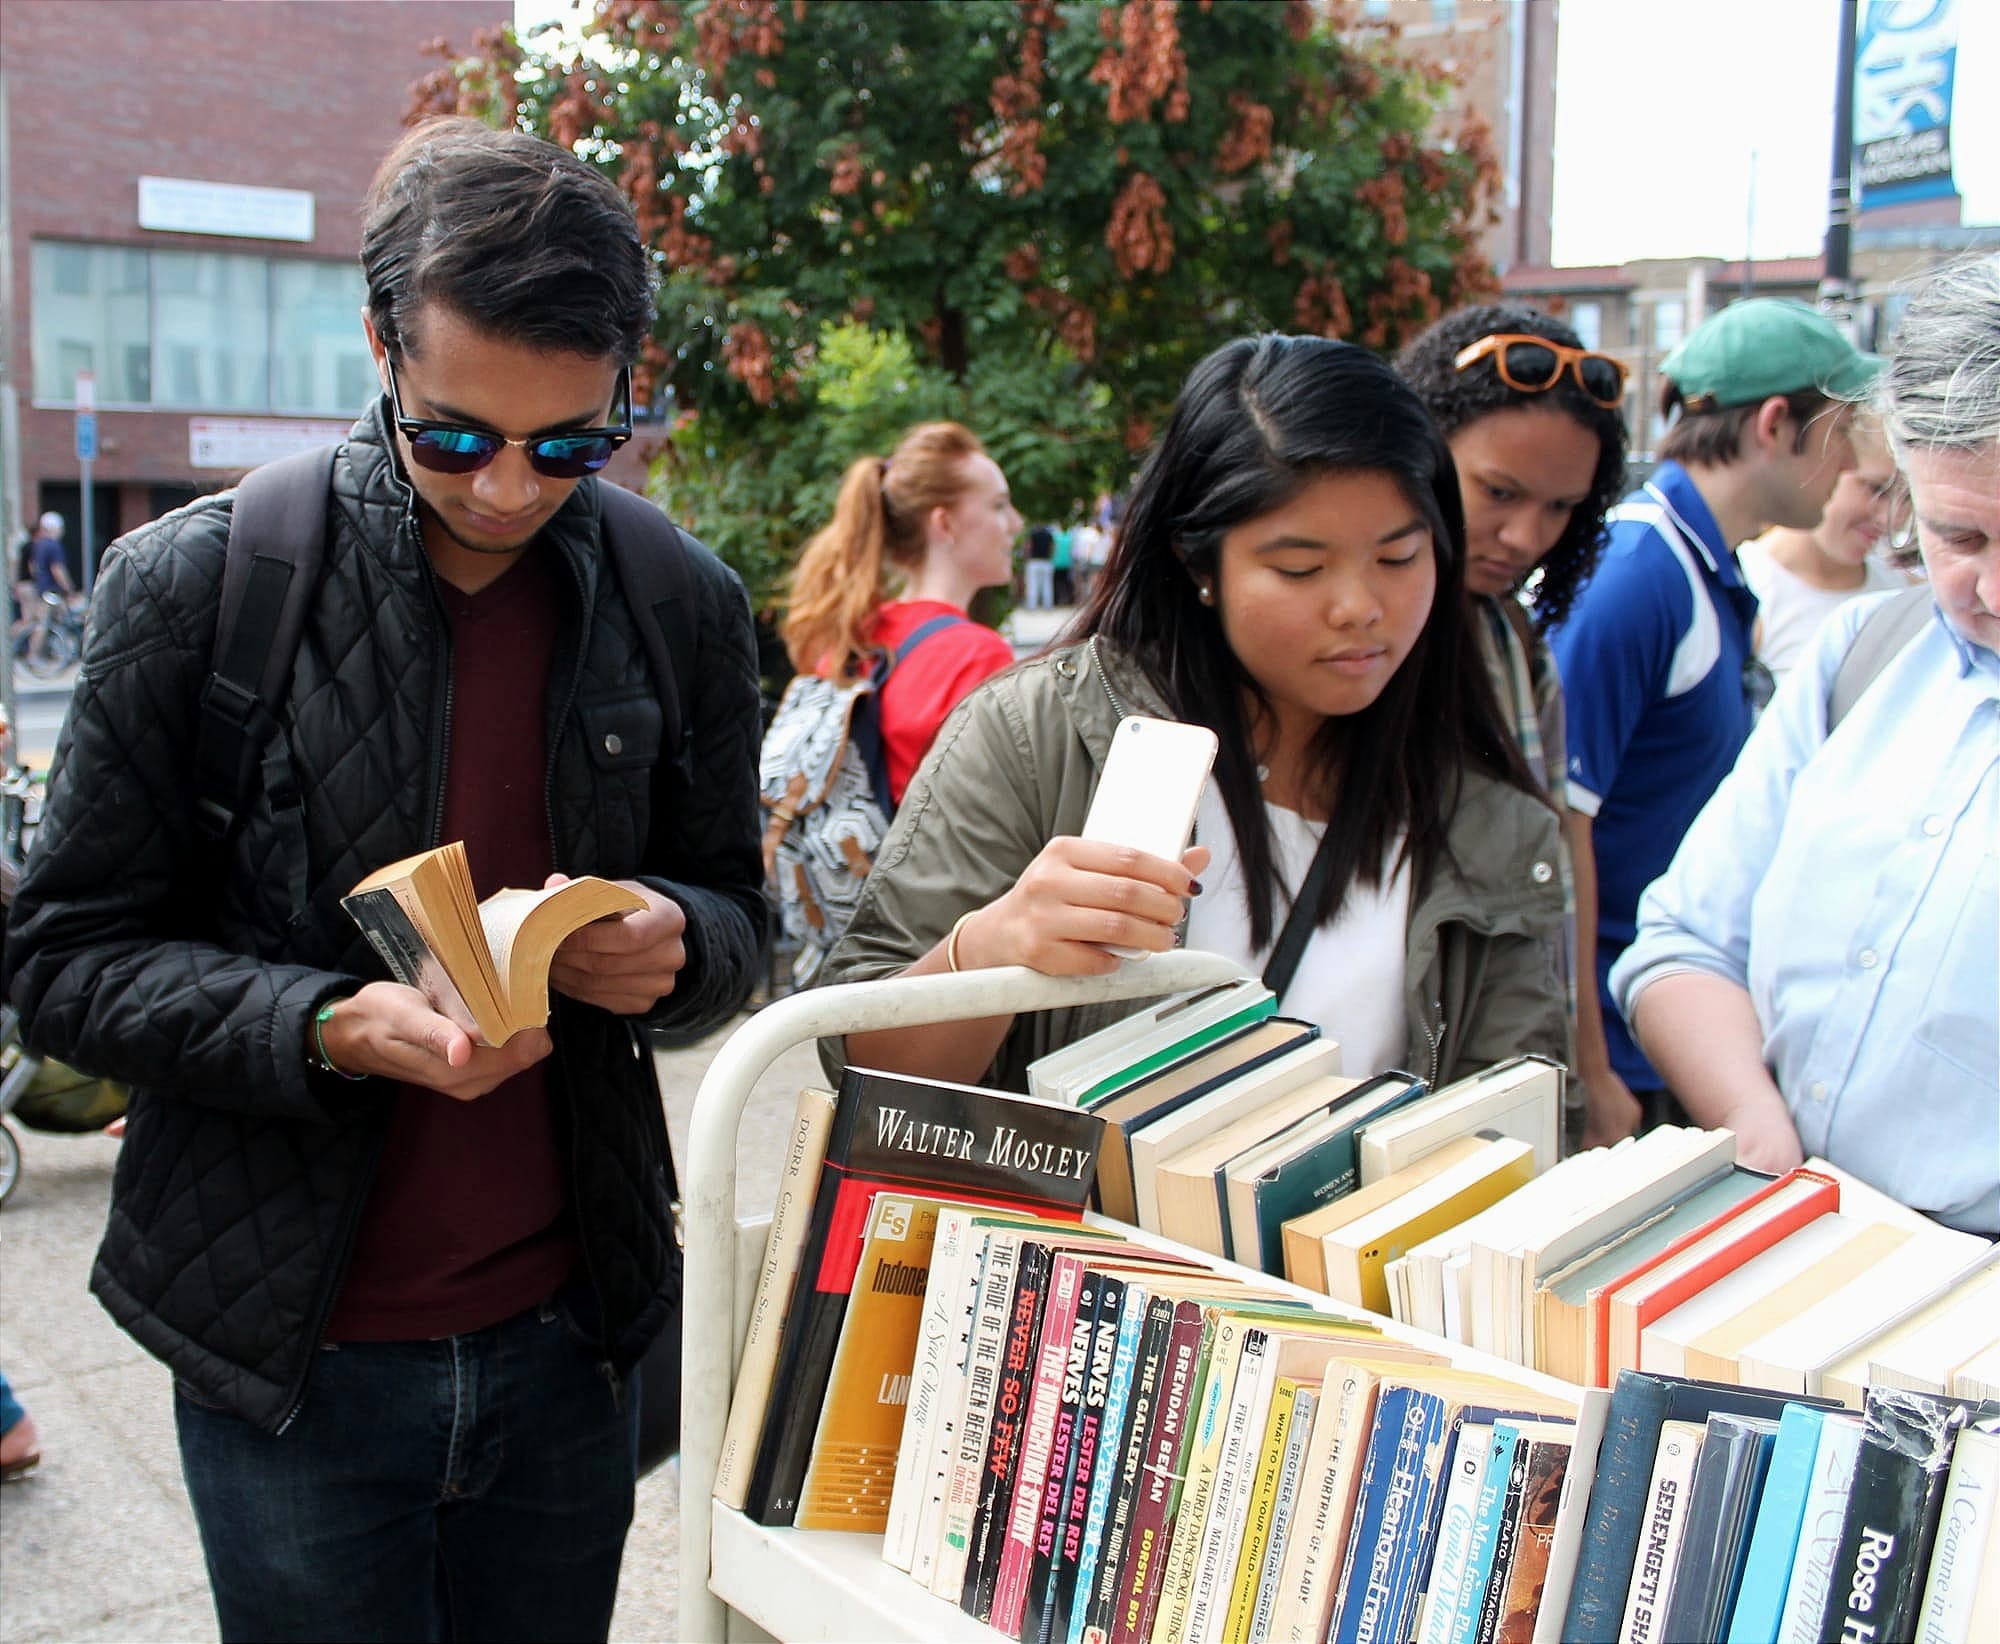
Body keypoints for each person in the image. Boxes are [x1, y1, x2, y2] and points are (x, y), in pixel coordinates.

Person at [2, 117, 766, 1642]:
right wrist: (319, 1028)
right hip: (291, 1353)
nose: (504, 489)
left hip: (575, 1339)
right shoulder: (202, 583)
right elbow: (63, 959)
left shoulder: (680, 597)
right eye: (455, 434)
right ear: (378, 347)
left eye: (569, 444)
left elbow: (744, 921)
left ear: (623, 387)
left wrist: (680, 943)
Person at [817, 334, 1568, 1094]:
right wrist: (988, 950)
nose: (1360, 608)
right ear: (1197, 562)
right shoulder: (1038, 737)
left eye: (1400, 558)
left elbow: (1521, 1127)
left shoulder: (1484, 816)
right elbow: (864, 1074)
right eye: (1300, 567)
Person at [1613, 256, 1999, 1232]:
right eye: (1959, 542)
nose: (1990, 595)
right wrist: (1755, 1129)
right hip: (1778, 1249)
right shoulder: (1859, 658)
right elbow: (1684, 943)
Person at [1546, 298, 1876, 1130]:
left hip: (1670, 1019)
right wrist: (1591, 1069)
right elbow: (1556, 824)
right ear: (1776, 423)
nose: (1850, 463)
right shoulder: (1640, 572)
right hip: (1623, 1040)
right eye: (1843, 429)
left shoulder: (1698, 564)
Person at [1398, 304, 1633, 1147]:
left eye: (1563, 506)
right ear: (1416, 445)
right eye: (1497, 492)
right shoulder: (1351, 630)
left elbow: (1562, 853)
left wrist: (1593, 1069)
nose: (1527, 535)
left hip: (1505, 1068)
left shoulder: (1513, 640)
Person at [780, 421, 1019, 808]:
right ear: (944, 523)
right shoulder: (977, 656)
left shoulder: (855, 638)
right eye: (998, 505)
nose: (1015, 523)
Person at [1738, 412, 1909, 681]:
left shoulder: (1902, 592)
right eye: (1876, 489)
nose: (1892, 518)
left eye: (1907, 498)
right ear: (1828, 467)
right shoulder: (1746, 586)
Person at [1024, 520, 1057, 610]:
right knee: (1047, 585)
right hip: (1046, 561)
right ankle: (1048, 605)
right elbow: (1053, 548)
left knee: (1032, 585)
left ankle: (1032, 606)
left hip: (1034, 561)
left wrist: (1026, 558)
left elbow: (1028, 547)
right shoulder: (1049, 535)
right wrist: (1050, 557)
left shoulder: (1033, 534)